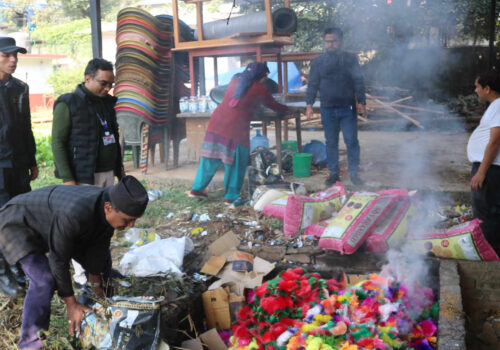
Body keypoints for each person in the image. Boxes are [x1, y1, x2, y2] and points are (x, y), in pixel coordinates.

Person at [0, 175, 148, 349]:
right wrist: (70, 303)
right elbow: (58, 260)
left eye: (134, 220)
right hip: (18, 224)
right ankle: (30, 344)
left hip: (53, 226)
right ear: (108, 208)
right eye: (127, 219)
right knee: (44, 280)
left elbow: (99, 247)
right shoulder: (74, 213)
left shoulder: (107, 203)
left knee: (104, 263)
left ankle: (94, 309)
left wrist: (95, 285)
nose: (131, 225)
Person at [52, 58, 124, 285]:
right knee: (83, 225)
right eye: (103, 83)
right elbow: (58, 142)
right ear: (87, 78)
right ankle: (83, 275)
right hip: (82, 176)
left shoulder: (107, 103)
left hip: (106, 174)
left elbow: (114, 138)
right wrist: (68, 179)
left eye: (110, 84)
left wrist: (119, 172)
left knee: (104, 224)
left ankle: (103, 268)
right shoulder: (68, 103)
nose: (107, 88)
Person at [189, 62, 288, 203]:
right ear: (262, 76)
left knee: (210, 158)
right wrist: (289, 108)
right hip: (234, 128)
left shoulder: (235, 81)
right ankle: (232, 196)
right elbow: (274, 106)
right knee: (236, 162)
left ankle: (197, 189)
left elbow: (240, 100)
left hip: (216, 123)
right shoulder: (260, 89)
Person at [0, 36, 38, 297]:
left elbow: (26, 127)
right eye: (7, 55)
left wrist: (32, 160)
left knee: (20, 215)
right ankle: (3, 272)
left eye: (16, 56)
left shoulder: (20, 88)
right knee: (1, 218)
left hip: (18, 165)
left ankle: (19, 265)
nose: (13, 60)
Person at [306, 27, 367, 186]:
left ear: (341, 42)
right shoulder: (318, 62)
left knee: (351, 140)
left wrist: (361, 102)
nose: (330, 45)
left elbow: (358, 81)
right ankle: (334, 173)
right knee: (331, 142)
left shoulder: (350, 60)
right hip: (327, 108)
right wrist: (309, 104)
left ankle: (354, 172)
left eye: (333, 41)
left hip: (348, 108)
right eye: (327, 42)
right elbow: (312, 84)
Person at [467, 70, 500, 255]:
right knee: (488, 212)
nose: (475, 90)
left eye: (477, 87)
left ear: (487, 88)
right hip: (489, 167)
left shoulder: (499, 106)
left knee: (486, 215)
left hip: (489, 169)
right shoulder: (494, 106)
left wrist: (481, 172)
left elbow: (495, 142)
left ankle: (489, 255)